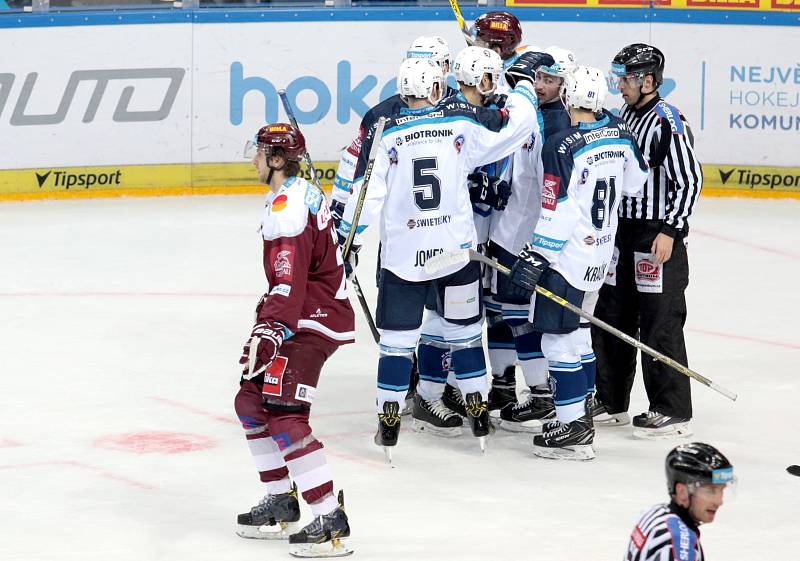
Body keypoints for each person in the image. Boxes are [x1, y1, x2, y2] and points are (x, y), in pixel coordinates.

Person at [340, 53, 543, 457]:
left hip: (403, 259)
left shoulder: (386, 132)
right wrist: (521, 90)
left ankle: (390, 425)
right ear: (436, 88)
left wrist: (350, 240)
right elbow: (514, 128)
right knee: (466, 335)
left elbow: (366, 193)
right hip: (454, 254)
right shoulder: (459, 123)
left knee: (397, 345)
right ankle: (479, 415)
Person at [509, 66, 649, 460]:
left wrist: (536, 256)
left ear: (569, 98)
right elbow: (637, 180)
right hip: (601, 254)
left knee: (556, 338)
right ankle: (580, 411)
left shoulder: (561, 143)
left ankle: (573, 428)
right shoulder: (621, 131)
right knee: (580, 331)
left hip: (566, 257)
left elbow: (558, 211)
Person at [233, 123, 355, 558]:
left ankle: (326, 515)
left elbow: (288, 281)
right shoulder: (299, 192)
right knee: (249, 401)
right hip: (300, 314)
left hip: (311, 321)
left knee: (285, 413)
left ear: (278, 160)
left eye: (260, 154)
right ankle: (281, 499)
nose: (253, 160)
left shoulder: (288, 208)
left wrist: (270, 330)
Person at [592, 44, 703, 438]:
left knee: (660, 322)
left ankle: (672, 409)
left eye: (625, 78)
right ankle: (610, 399)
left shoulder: (666, 121)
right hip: (622, 233)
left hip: (655, 235)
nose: (619, 85)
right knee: (612, 314)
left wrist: (670, 231)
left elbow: (690, 180)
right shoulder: (627, 114)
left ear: (648, 80)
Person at [410, 46, 509, 436]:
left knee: (461, 319)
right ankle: (431, 395)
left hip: (466, 238)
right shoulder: (457, 116)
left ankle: (449, 391)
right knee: (445, 317)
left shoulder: (466, 110)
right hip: (451, 241)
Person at [491, 49, 576, 433]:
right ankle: (529, 389)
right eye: (536, 78)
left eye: (550, 80)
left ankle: (546, 394)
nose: (540, 86)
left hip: (532, 239)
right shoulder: (527, 110)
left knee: (529, 319)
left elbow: (554, 194)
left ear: (565, 84)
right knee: (510, 314)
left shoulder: (558, 126)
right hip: (510, 230)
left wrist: (541, 246)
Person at [625, 442, 735, 560]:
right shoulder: (679, 546)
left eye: (722, 490)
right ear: (682, 492)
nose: (719, 501)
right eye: (710, 490)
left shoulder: (655, 512)